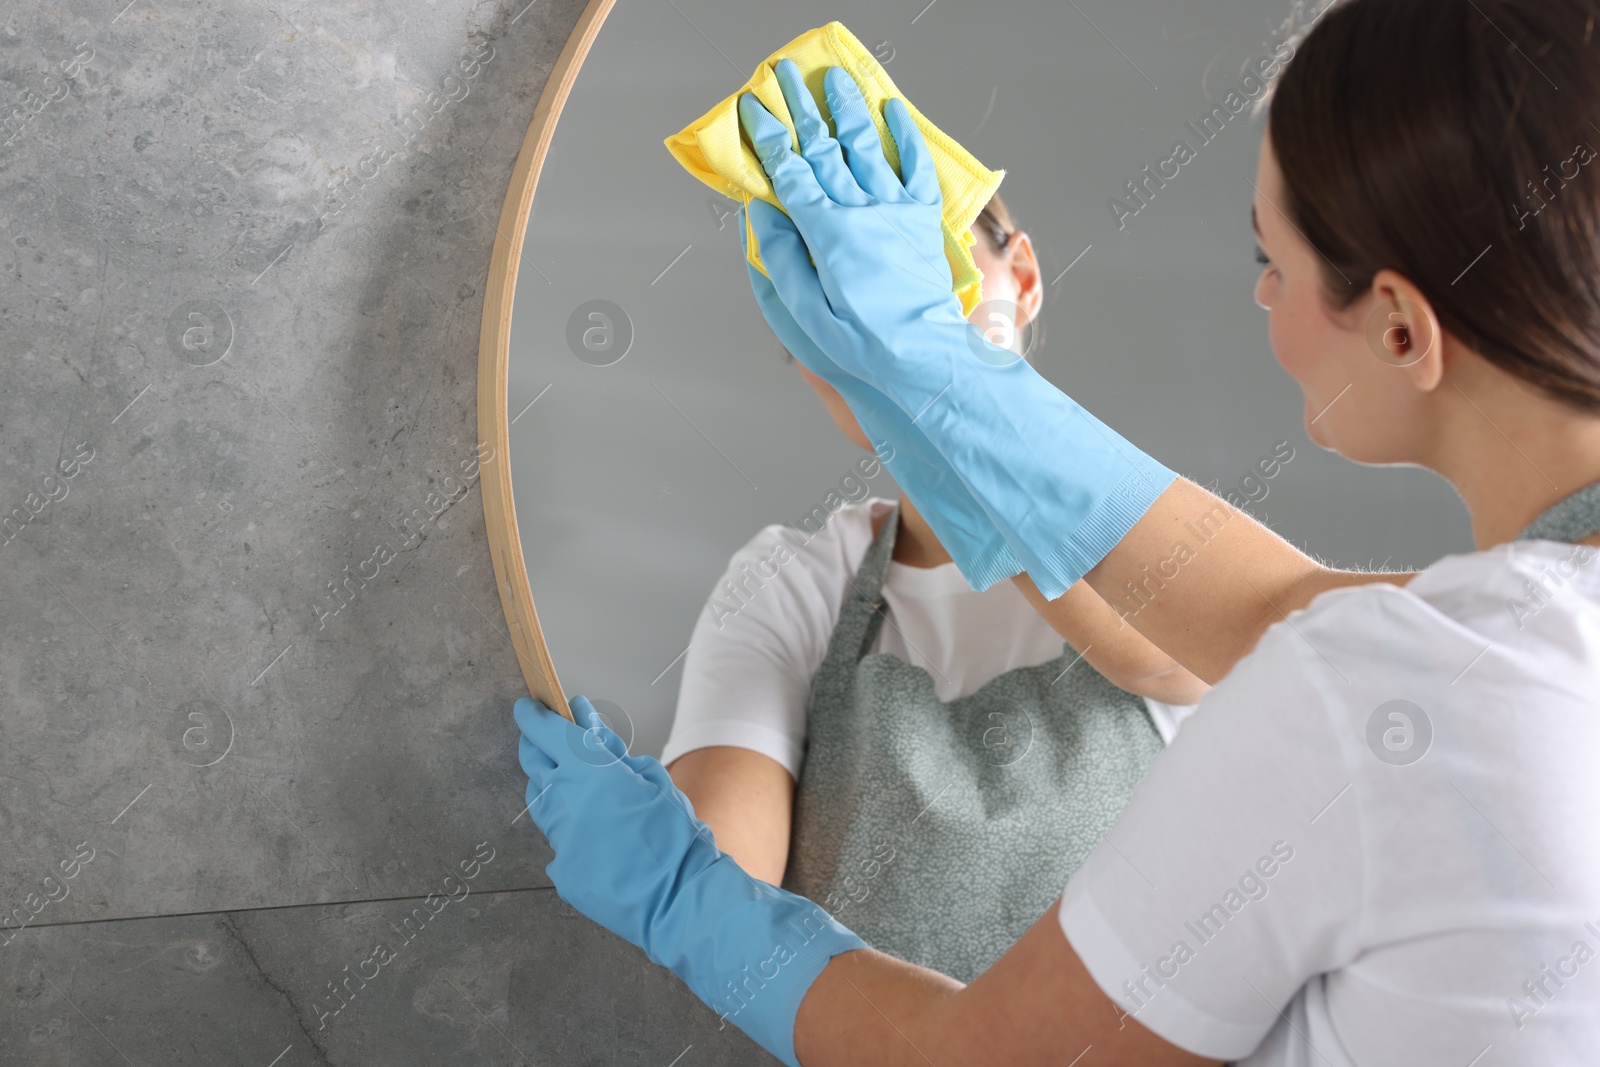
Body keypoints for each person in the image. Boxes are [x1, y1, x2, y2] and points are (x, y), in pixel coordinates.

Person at [512, 1, 1600, 1064]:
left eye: (1269, 259)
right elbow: (1264, 605)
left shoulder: (1383, 686)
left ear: (1401, 325)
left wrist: (685, 901)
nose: (1262, 294)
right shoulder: (1505, 646)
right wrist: (931, 378)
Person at [660, 191, 1207, 981]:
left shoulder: (1164, 544)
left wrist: (972, 459)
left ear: (1020, 276)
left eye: (931, 278)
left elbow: (1180, 657)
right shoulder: (790, 584)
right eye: (837, 309)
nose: (889, 334)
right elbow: (725, 916)